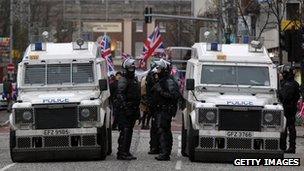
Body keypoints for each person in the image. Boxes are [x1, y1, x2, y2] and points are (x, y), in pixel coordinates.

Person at [153, 59, 180, 161]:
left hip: (165, 110)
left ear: (164, 70)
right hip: (161, 109)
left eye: (159, 69)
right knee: (163, 130)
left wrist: (160, 91)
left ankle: (165, 153)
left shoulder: (168, 81)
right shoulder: (162, 80)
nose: (157, 70)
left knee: (164, 131)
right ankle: (164, 152)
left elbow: (174, 95)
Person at [115, 58, 141, 160]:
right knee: (125, 131)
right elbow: (120, 95)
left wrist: (137, 110)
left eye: (133, 68)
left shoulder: (134, 80)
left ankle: (126, 151)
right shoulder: (123, 80)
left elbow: (137, 96)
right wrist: (126, 108)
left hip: (133, 109)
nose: (132, 70)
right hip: (124, 110)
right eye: (130, 68)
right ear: (125, 69)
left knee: (129, 131)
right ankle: (121, 153)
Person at [279, 65, 300, 153]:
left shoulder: (287, 84)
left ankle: (284, 146)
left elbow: (283, 96)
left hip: (287, 108)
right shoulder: (294, 83)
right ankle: (291, 146)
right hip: (292, 108)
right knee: (290, 127)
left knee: (285, 127)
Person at [146, 66, 160, 154]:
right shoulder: (152, 84)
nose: (156, 76)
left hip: (158, 107)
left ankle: (156, 146)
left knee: (158, 128)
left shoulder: (160, 82)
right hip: (154, 107)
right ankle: (154, 146)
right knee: (155, 128)